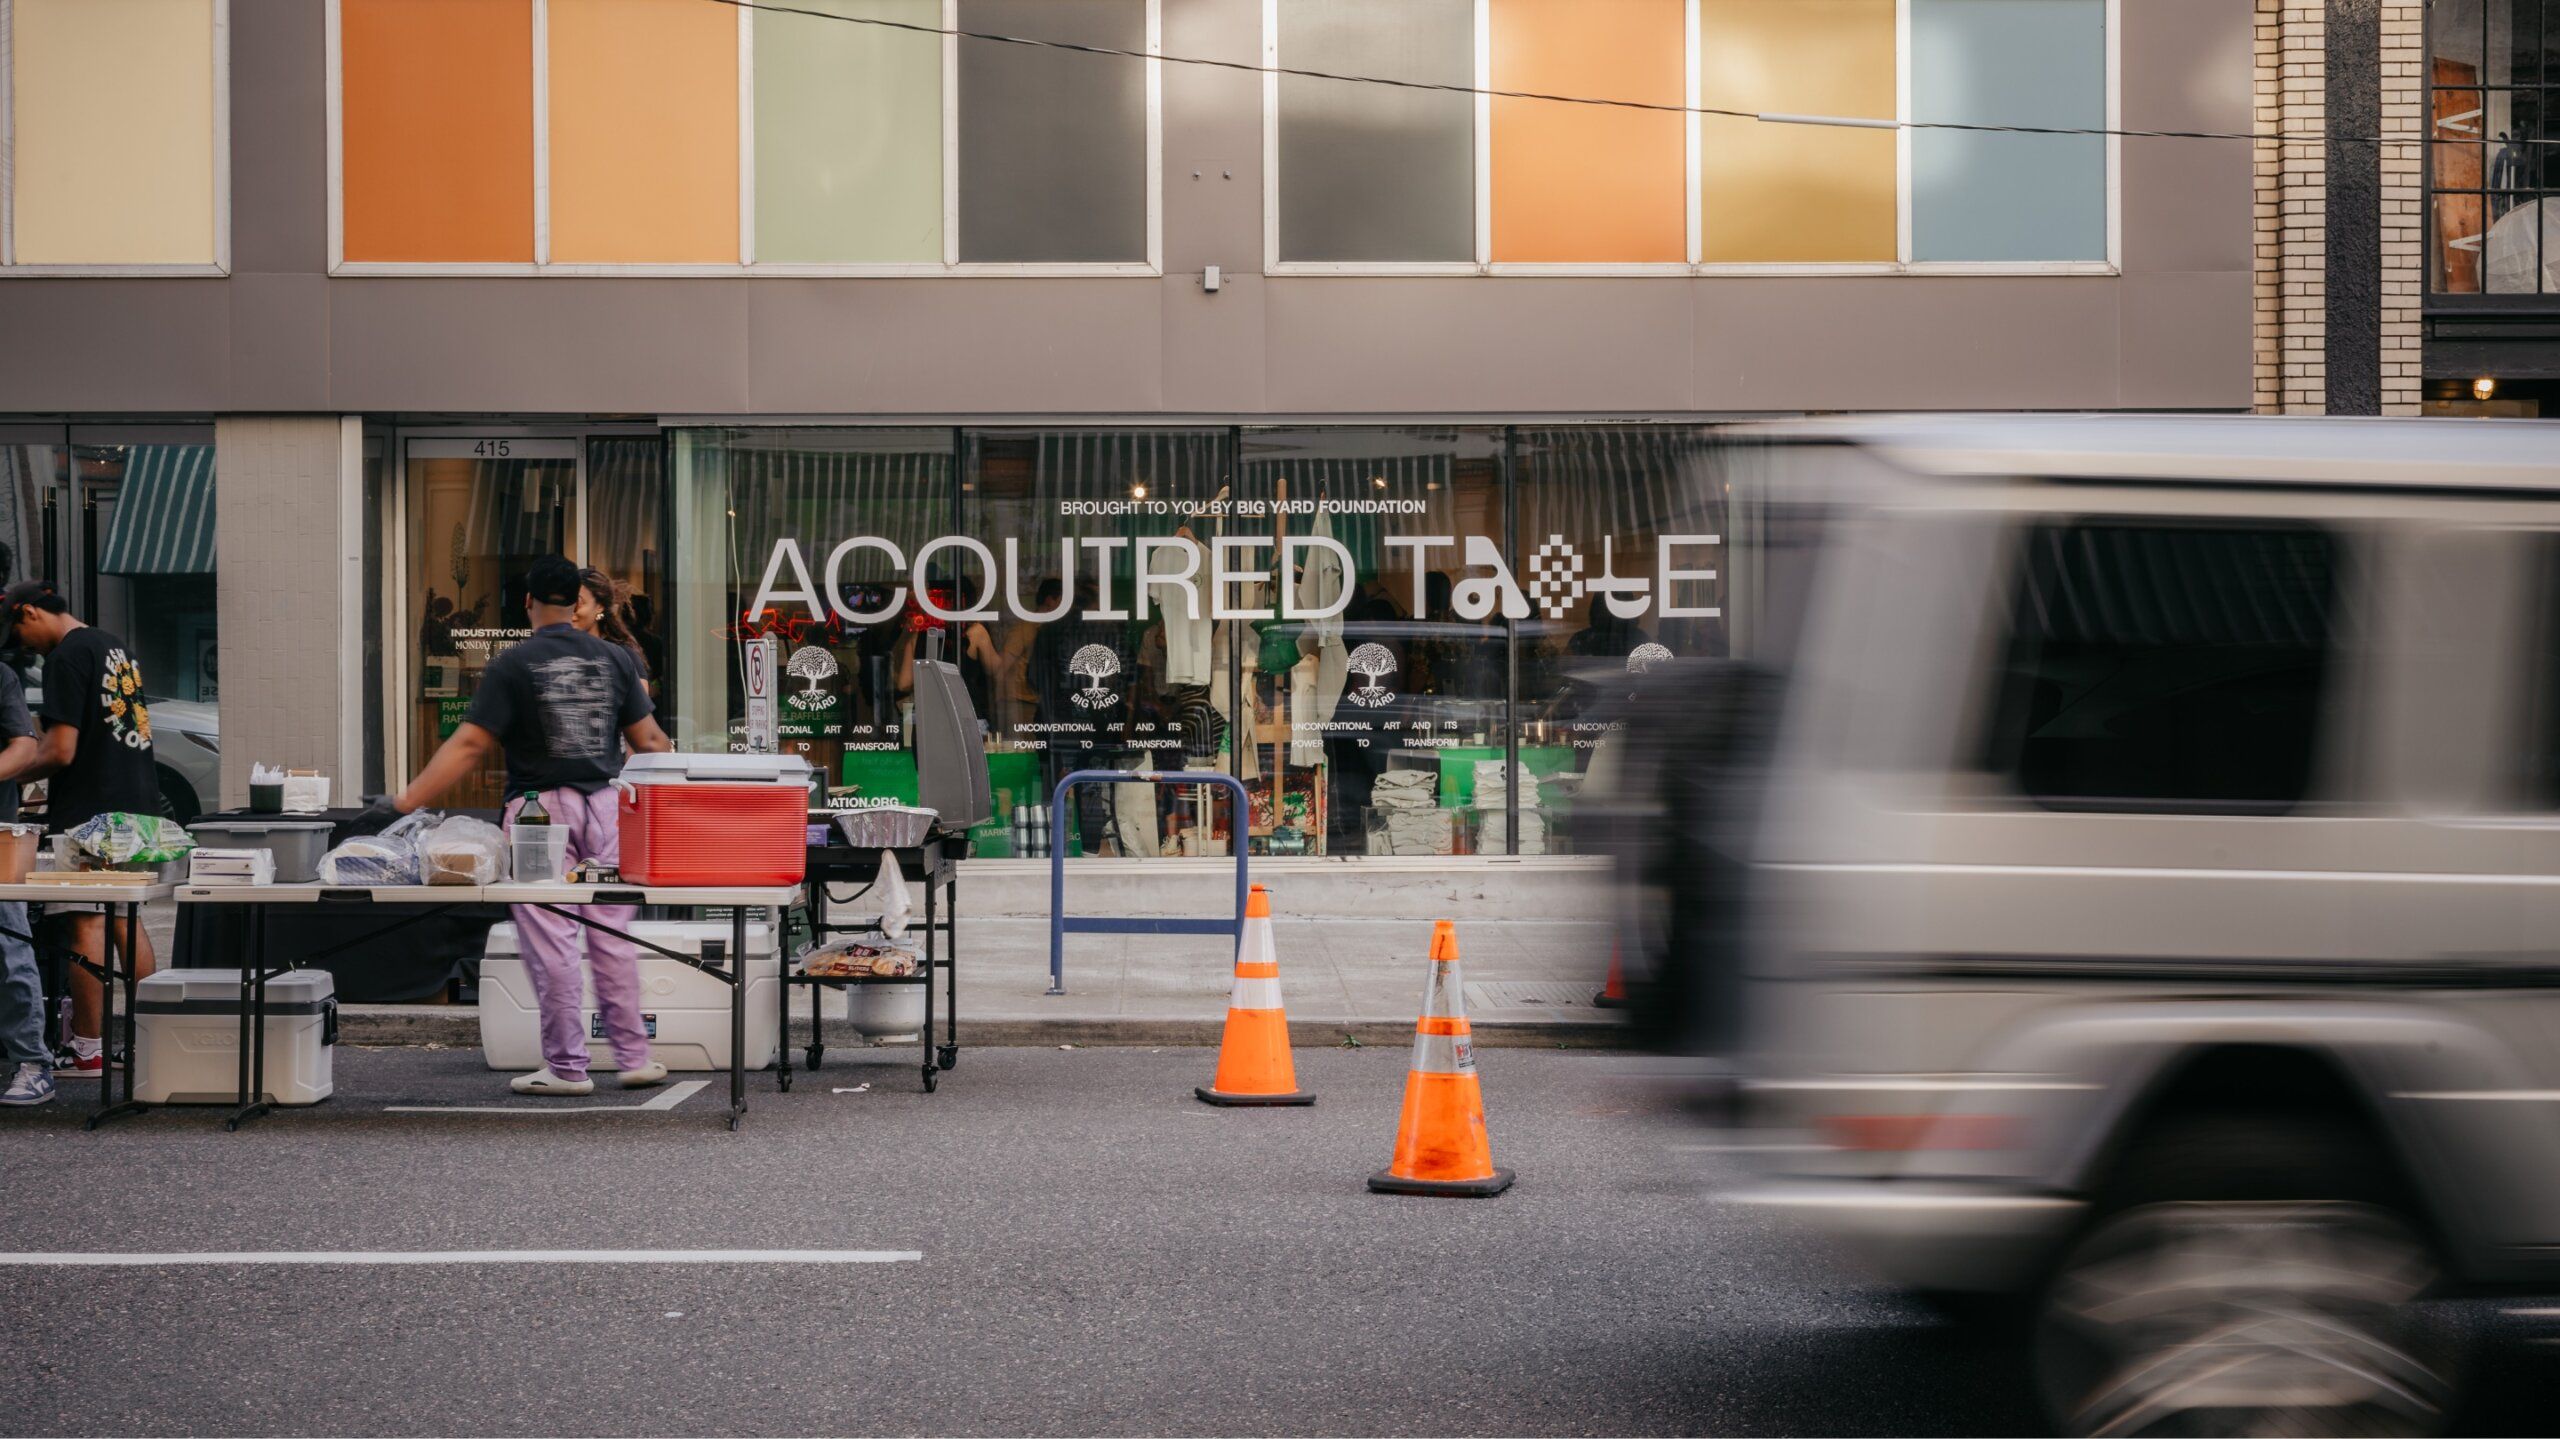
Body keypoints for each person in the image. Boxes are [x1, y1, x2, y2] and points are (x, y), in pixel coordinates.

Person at [357, 555, 672, 1096]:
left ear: (528, 602)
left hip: (537, 814)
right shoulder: (616, 659)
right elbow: (650, 743)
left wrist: (405, 801)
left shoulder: (513, 663)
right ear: (578, 602)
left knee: (551, 939)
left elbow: (472, 744)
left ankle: (568, 1067)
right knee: (613, 934)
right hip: (608, 808)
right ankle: (634, 1057)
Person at [0, 580, 161, 1078]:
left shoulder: (66, 657)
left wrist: (21, 776)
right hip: (137, 803)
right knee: (126, 920)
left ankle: (88, 1048)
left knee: (84, 921)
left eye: (19, 630)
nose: (23, 644)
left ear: (30, 612)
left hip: (91, 813)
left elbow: (60, 750)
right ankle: (152, 1040)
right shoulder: (115, 646)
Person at [0, 659, 51, 1105]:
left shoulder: (0, 676)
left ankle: (33, 1063)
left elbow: (24, 748)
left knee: (8, 945)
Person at [574, 568, 650, 681]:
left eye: (578, 603)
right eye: (566, 603)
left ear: (599, 606)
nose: (570, 610)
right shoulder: (556, 649)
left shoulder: (621, 655)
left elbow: (641, 696)